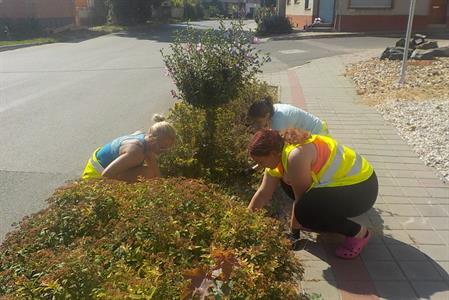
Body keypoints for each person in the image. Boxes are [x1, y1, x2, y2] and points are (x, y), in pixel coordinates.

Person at [247, 128, 378, 259]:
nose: (260, 166)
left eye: (261, 162)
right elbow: (264, 193)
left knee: (305, 212)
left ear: (272, 153)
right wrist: (246, 220)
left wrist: (294, 233)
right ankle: (319, 221)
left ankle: (359, 233)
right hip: (347, 186)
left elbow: (301, 200)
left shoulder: (296, 155)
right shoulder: (279, 153)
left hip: (362, 190)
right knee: (289, 186)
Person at [81, 114, 176, 182]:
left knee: (150, 173)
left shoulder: (145, 140)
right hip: (93, 175)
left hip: (99, 165)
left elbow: (155, 170)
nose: (162, 152)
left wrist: (164, 185)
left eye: (167, 149)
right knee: (148, 175)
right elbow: (106, 175)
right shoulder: (135, 152)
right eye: (162, 148)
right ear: (152, 139)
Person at [247, 98, 329, 136]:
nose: (256, 125)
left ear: (267, 115)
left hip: (317, 133)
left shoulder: (278, 121)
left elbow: (280, 147)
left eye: (258, 122)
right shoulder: (273, 108)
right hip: (317, 126)